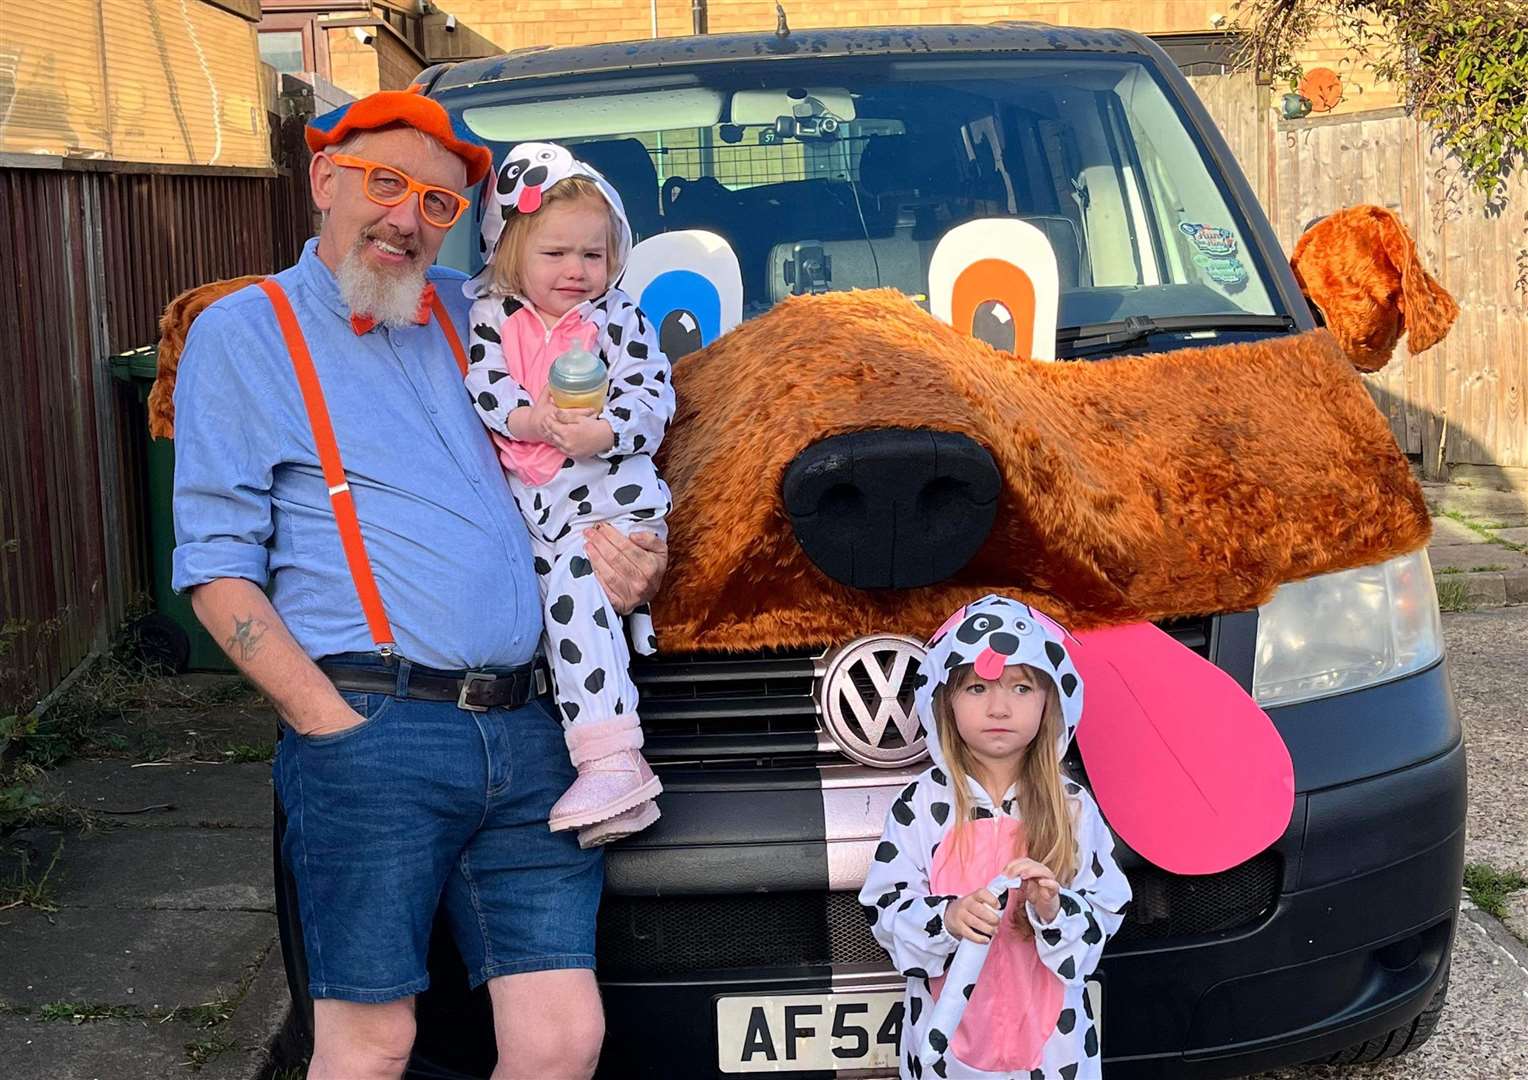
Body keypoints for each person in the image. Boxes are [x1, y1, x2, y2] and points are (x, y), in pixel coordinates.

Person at [170, 88, 666, 1080]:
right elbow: (215, 565)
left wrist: (637, 555)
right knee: (371, 1042)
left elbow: (585, 458)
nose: (404, 219)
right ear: (322, 180)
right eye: (382, 185)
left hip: (535, 730)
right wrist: (326, 723)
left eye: (436, 204)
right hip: (376, 732)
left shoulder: (481, 314)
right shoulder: (248, 332)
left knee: (564, 1037)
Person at [462, 142, 673, 847]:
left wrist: (606, 431)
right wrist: (534, 421)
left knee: (575, 587)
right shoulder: (491, 316)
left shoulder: (621, 320)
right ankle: (603, 765)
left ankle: (613, 758)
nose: (577, 271)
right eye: (556, 255)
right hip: (540, 506)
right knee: (547, 588)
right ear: (509, 250)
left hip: (613, 502)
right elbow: (486, 387)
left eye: (593, 254)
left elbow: (654, 396)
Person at [859, 595, 1131, 1080]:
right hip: (949, 1053)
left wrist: (1054, 909)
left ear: (1051, 701)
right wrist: (948, 917)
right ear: (945, 701)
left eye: (1022, 688)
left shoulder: (1072, 808)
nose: (999, 706)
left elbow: (1104, 915)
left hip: (1053, 1052)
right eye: (978, 688)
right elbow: (885, 912)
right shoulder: (921, 806)